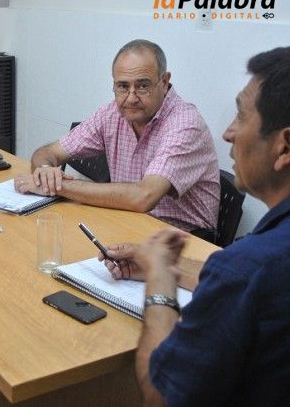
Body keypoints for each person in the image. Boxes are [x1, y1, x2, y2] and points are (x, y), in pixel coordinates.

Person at [99, 47, 290, 406]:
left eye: (241, 116)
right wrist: (168, 266)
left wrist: (160, 282)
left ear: (285, 147)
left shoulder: (247, 267)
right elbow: (256, 285)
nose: (228, 133)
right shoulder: (255, 268)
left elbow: (161, 394)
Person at [15, 39, 220, 235]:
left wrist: (59, 186)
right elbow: (48, 152)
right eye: (123, 86)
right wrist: (45, 172)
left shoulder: (185, 124)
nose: (131, 98)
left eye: (142, 86)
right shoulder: (112, 114)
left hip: (183, 240)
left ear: (164, 82)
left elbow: (144, 196)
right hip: (127, 224)